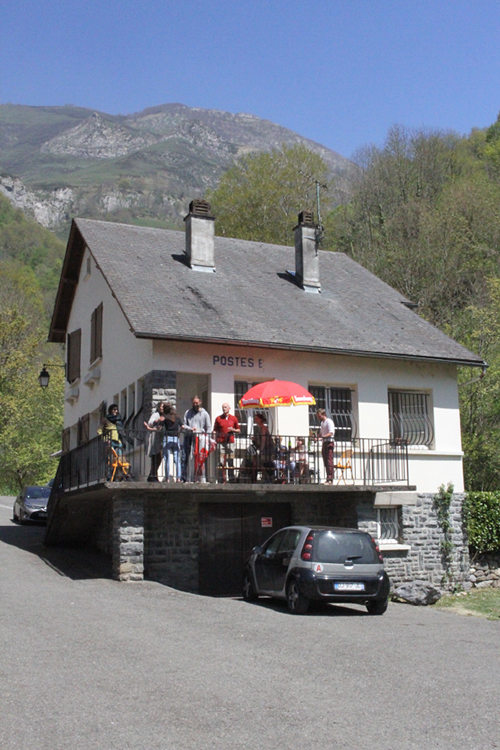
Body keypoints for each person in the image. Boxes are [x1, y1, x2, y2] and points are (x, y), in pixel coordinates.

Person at [182, 395, 212, 482]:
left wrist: (207, 437)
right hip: (190, 437)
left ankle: (201, 478)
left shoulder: (205, 413)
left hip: (201, 438)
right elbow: (184, 425)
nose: (195, 404)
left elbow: (208, 427)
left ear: (200, 402)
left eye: (196, 403)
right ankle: (190, 478)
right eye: (193, 403)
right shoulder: (188, 413)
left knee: (200, 458)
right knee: (190, 457)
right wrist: (190, 429)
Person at [213, 402, 240, 481]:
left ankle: (231, 479)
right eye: (223, 407)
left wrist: (233, 430)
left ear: (229, 408)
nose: (224, 409)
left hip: (230, 442)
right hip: (221, 443)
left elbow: (238, 430)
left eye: (225, 407)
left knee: (230, 461)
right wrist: (214, 442)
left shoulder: (234, 418)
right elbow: (214, 430)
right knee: (221, 462)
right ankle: (221, 479)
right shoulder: (218, 418)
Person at [144, 402, 166, 482]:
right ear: (158, 407)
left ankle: (151, 475)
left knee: (159, 458)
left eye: (164, 407)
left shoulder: (165, 416)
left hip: (160, 439)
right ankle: (153, 476)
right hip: (154, 439)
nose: (162, 408)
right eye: (161, 406)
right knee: (155, 457)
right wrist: (157, 421)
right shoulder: (156, 414)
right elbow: (150, 423)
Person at [163, 405, 183, 482]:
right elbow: (183, 426)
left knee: (167, 458)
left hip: (167, 438)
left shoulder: (165, 417)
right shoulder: (177, 417)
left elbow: (159, 427)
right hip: (175, 439)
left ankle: (167, 478)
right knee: (177, 459)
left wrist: (151, 427)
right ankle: (178, 478)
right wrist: (179, 433)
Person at [316, 408, 336, 484]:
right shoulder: (322, 423)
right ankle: (328, 478)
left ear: (324, 414)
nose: (318, 418)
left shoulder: (329, 421)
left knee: (329, 460)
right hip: (324, 442)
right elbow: (321, 433)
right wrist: (317, 436)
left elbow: (331, 432)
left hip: (329, 442)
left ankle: (330, 479)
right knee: (325, 460)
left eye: (319, 416)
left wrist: (323, 436)